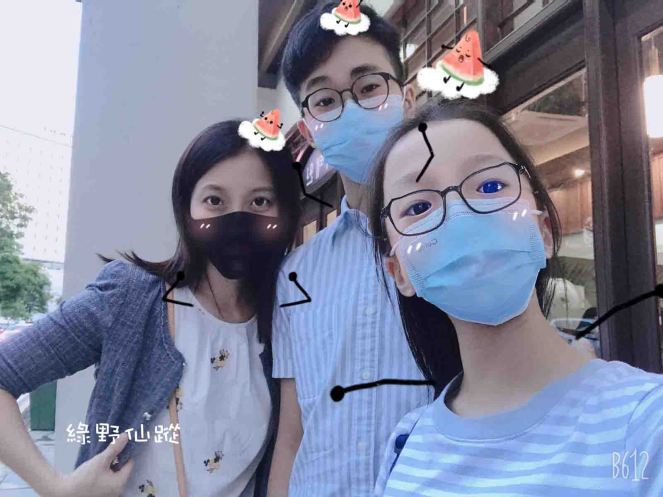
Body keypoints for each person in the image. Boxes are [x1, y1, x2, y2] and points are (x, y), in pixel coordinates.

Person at [368, 99, 663, 496]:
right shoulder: (405, 444)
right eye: (419, 207)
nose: (459, 214)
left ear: (543, 232)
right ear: (399, 272)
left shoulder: (645, 424)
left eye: (490, 186)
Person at [0, 120, 301, 497]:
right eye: (214, 200)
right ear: (186, 210)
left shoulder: (287, 320)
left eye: (260, 202)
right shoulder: (130, 297)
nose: (237, 220)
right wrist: (56, 488)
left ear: (283, 213)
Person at [267, 3, 434, 497]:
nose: (350, 108)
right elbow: (292, 437)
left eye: (367, 87)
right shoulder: (297, 273)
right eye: (323, 100)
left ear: (406, 98)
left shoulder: (451, 237)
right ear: (308, 129)